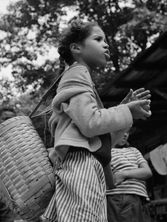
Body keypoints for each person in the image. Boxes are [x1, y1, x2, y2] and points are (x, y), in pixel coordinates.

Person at [41, 20, 151, 222]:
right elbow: (90, 124)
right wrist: (125, 111)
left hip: (86, 165)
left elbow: (99, 139)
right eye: (98, 39)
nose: (106, 44)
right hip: (80, 165)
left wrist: (124, 115)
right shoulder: (77, 73)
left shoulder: (82, 78)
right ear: (76, 48)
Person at [106, 130, 152, 222]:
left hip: (138, 196)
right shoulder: (107, 152)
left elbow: (147, 172)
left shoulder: (134, 151)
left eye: (127, 132)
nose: (125, 134)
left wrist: (124, 174)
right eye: (122, 131)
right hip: (117, 197)